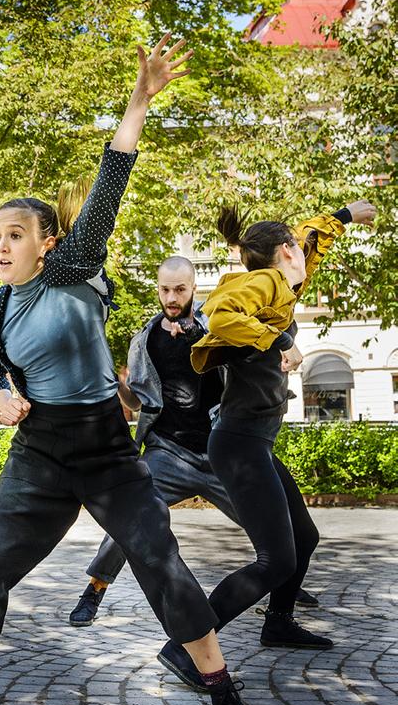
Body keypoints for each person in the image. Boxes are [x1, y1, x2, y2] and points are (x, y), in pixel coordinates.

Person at [0, 36, 272, 705]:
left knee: (163, 564)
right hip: (40, 451)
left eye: (14, 234)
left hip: (108, 449)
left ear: (46, 242)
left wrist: (139, 99)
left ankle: (224, 698)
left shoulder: (75, 268)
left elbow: (112, 176)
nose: (0, 246)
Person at [156, 198, 377, 669]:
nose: (306, 253)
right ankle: (185, 646)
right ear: (285, 251)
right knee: (275, 559)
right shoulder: (262, 282)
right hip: (238, 444)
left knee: (304, 538)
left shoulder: (280, 284)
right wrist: (282, 340)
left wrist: (343, 216)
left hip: (251, 441)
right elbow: (220, 312)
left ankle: (278, 623)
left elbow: (309, 238)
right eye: (298, 247)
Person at [67, 257, 318, 629]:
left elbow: (254, 337)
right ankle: (95, 588)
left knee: (272, 525)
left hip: (220, 449)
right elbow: (137, 401)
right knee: (131, 517)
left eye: (180, 289)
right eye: (165, 289)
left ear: (194, 288)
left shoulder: (218, 322)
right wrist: (114, 384)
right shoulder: (144, 340)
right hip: (167, 452)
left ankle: (282, 582)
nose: (172, 297)